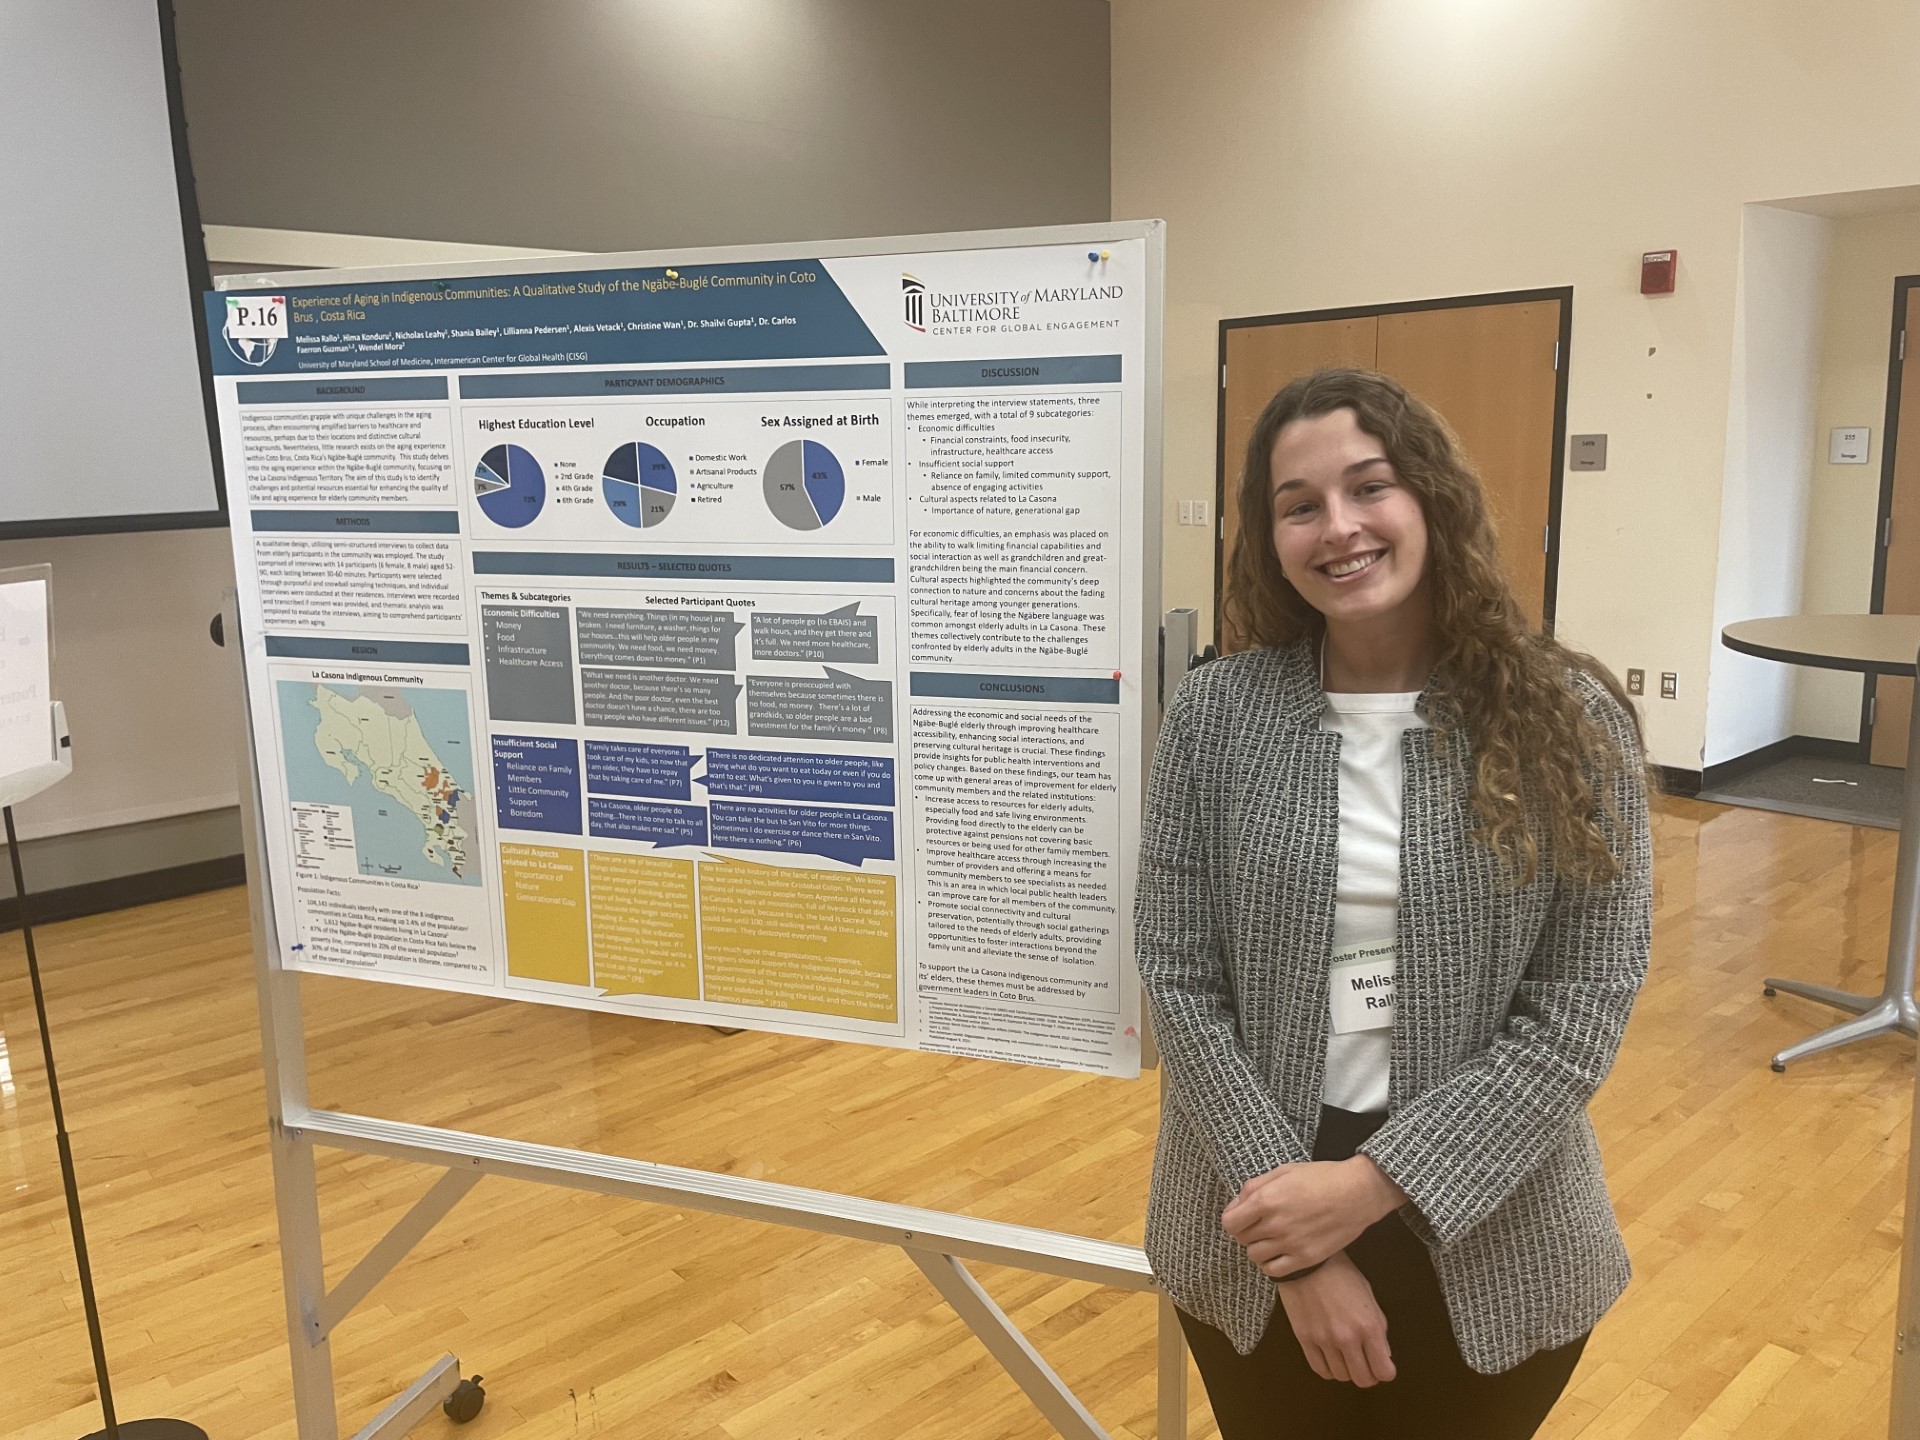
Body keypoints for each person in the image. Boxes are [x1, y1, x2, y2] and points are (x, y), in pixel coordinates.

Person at [1135, 367, 1653, 1439]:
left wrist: (1372, 1186)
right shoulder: (1218, 711)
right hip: (1251, 1213)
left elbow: (1580, 1010)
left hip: (1493, 1226)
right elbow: (1179, 974)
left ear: (1430, 498)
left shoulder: (1570, 718)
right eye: (1299, 505)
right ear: (1266, 535)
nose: (1339, 527)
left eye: (1369, 487)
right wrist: (1300, 1234)